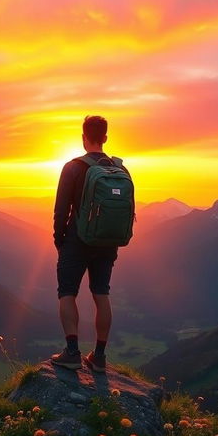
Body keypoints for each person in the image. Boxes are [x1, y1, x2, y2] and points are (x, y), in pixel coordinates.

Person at [51, 115, 130, 372]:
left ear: (84, 138)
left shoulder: (73, 168)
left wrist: (59, 238)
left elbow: (61, 209)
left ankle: (72, 353)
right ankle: (99, 356)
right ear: (105, 138)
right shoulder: (121, 169)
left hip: (77, 239)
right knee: (101, 293)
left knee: (67, 293)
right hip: (108, 241)